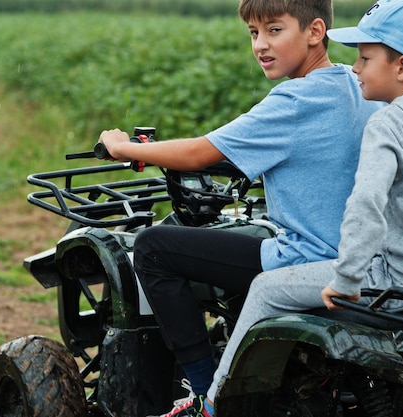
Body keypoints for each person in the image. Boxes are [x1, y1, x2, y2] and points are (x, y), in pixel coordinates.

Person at [98, 0, 383, 416]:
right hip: (369, 256)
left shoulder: (295, 99)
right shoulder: (358, 85)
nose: (260, 45)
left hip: (310, 258)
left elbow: (198, 152)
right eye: (253, 33)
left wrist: (125, 147)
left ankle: (202, 391)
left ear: (315, 31)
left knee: (154, 248)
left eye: (274, 30)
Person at [205, 0, 403, 415]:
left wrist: (347, 278)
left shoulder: (388, 123)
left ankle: (211, 404)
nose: (354, 67)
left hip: (401, 283)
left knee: (266, 287)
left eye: (365, 57)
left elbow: (366, 205)